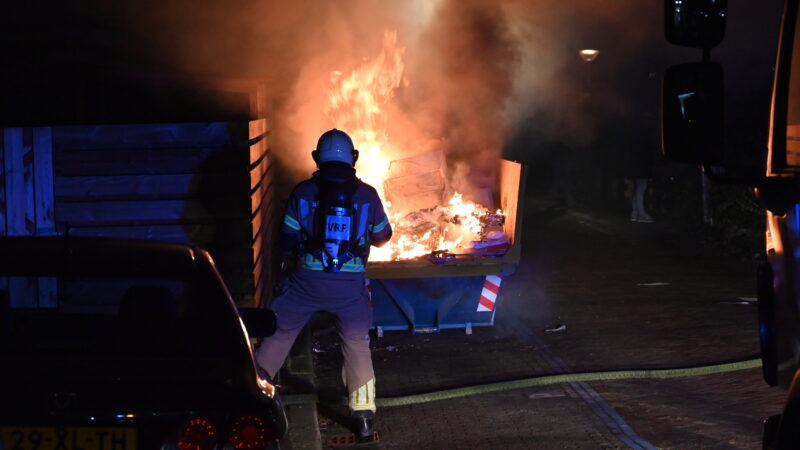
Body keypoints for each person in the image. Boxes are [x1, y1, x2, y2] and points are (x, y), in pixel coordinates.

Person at [256, 128, 392, 442]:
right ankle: (363, 418)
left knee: (279, 334)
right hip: (350, 289)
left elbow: (287, 240)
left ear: (317, 158)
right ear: (353, 158)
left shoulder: (302, 192)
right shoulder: (367, 194)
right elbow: (384, 237)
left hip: (305, 284)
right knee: (357, 346)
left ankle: (255, 396)